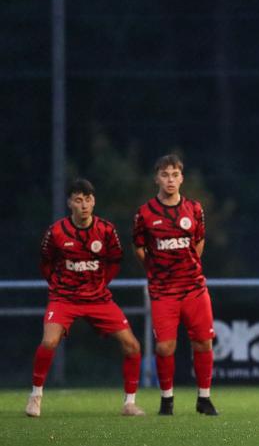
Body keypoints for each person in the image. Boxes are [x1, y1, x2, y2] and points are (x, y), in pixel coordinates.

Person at [27, 178, 145, 417]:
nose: (84, 205)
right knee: (49, 342)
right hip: (64, 299)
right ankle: (35, 396)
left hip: (98, 299)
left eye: (88, 200)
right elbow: (45, 262)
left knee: (132, 345)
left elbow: (114, 261)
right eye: (78, 200)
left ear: (94, 202)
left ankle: (129, 403)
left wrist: (100, 284)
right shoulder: (57, 231)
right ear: (69, 202)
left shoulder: (106, 230)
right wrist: (59, 286)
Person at [133, 155, 218, 416]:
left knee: (203, 342)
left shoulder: (193, 209)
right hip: (163, 291)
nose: (170, 179)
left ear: (181, 178)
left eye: (175, 174)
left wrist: (187, 265)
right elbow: (139, 247)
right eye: (165, 174)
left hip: (194, 287)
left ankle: (204, 399)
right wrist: (157, 270)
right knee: (164, 347)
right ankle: (166, 399)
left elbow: (199, 243)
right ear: (156, 178)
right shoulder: (145, 213)